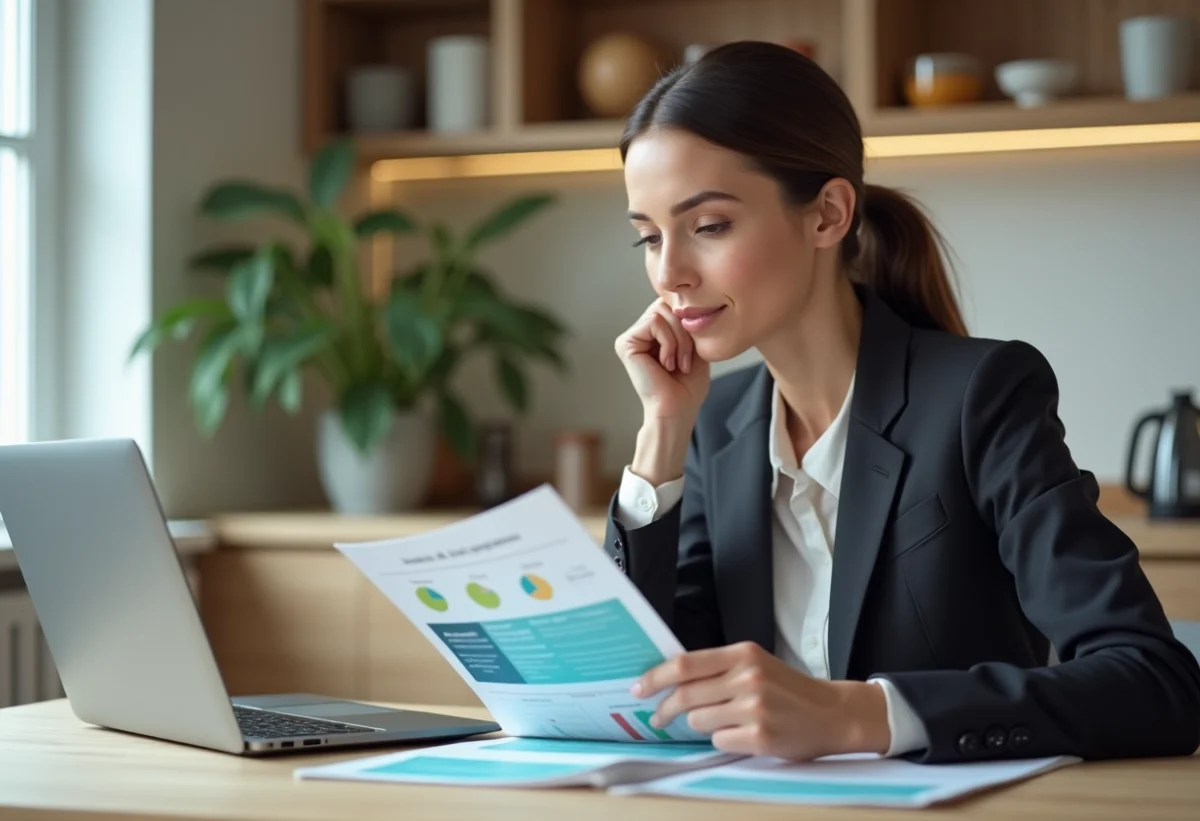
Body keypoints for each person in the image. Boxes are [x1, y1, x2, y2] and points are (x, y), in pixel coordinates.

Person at [606, 40, 1200, 764]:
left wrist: (864, 714)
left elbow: (1155, 682)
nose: (668, 273)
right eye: (647, 236)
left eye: (708, 226)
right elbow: (649, 685)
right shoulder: (718, 426)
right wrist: (661, 435)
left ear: (827, 214)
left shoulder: (981, 395)